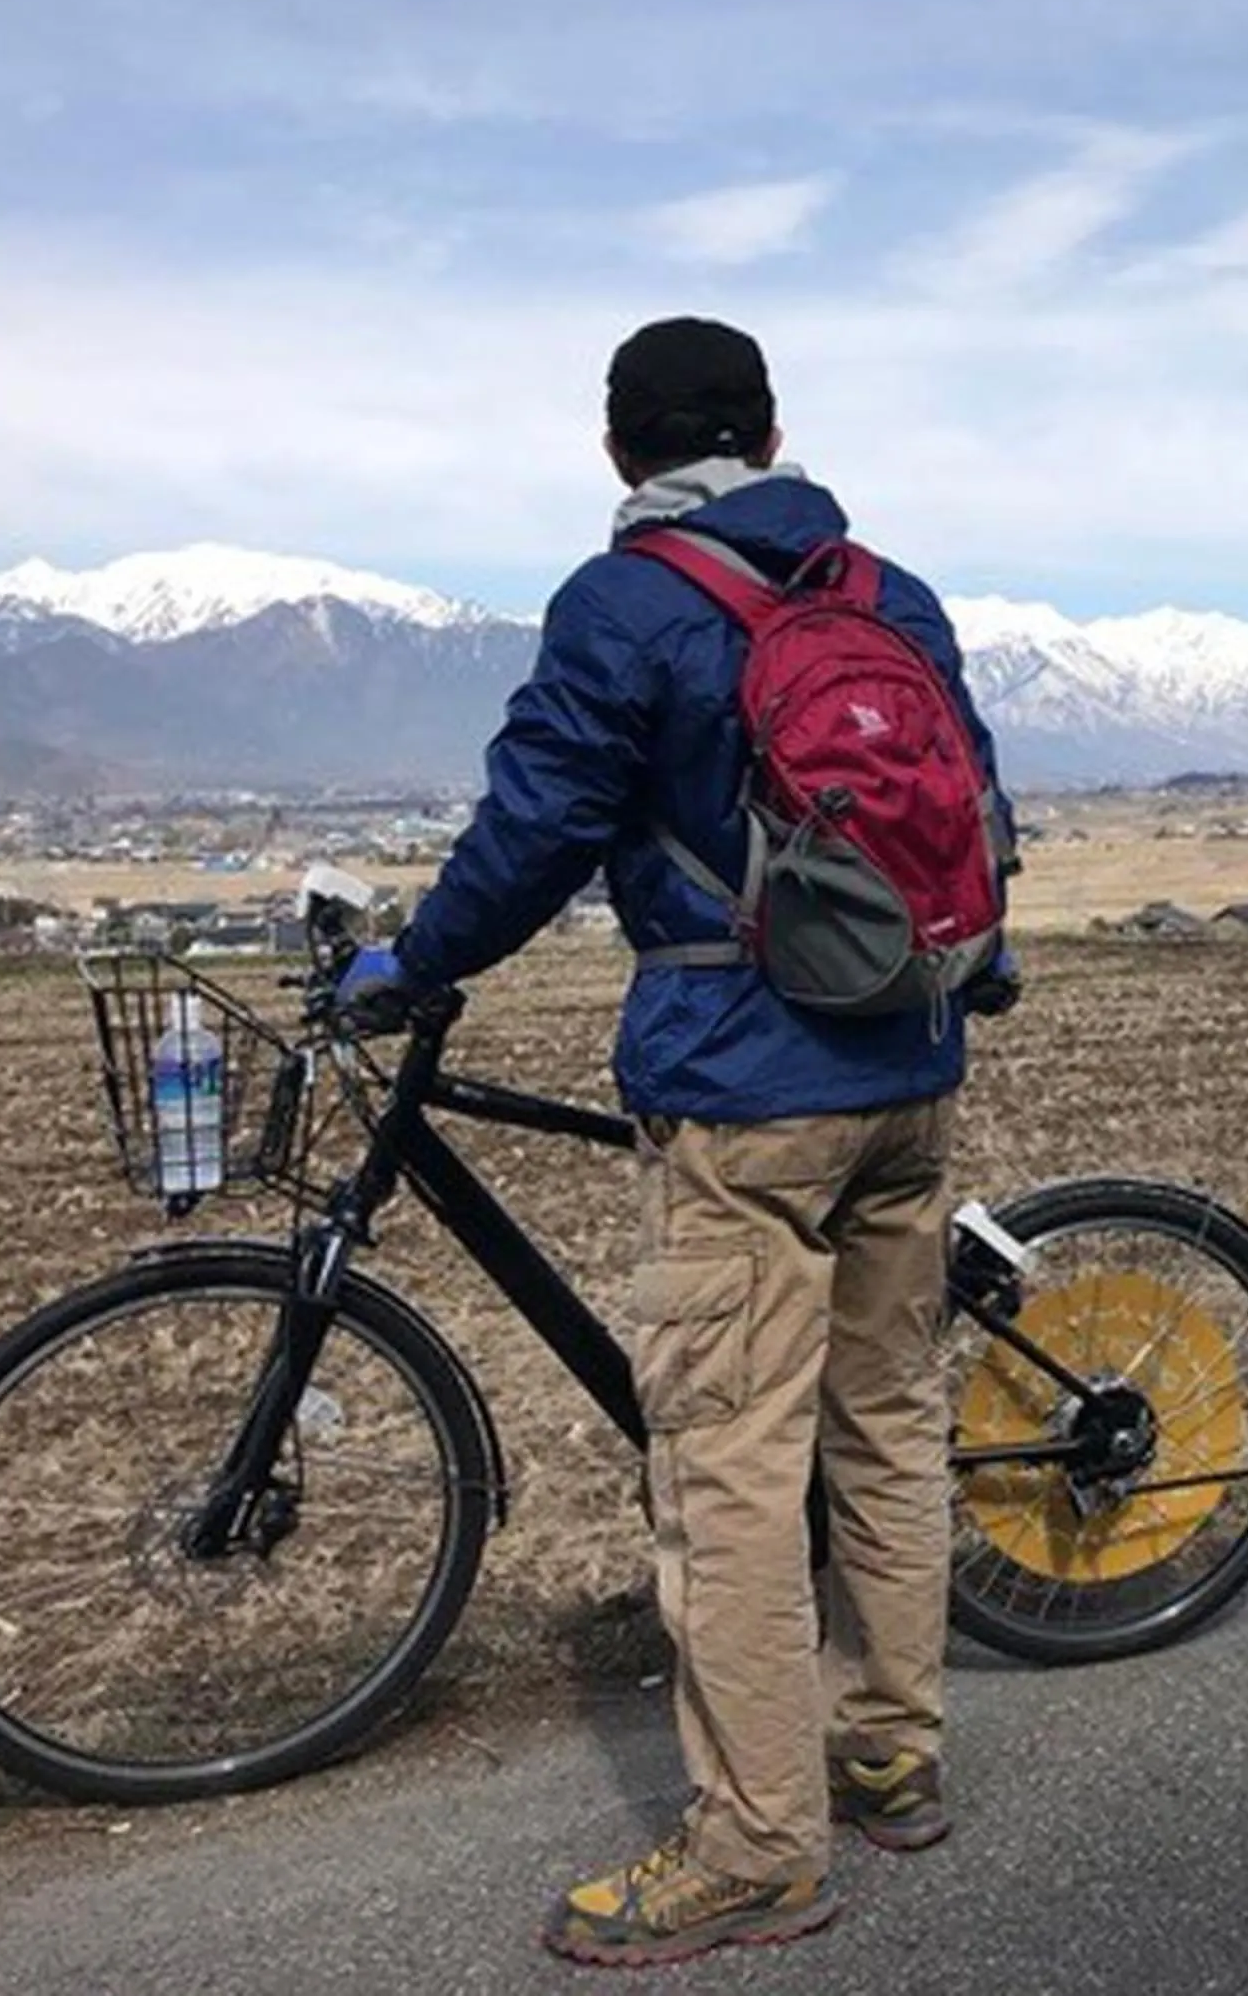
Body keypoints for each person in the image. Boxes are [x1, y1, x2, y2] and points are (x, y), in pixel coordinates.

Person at [338, 316, 1014, 1968]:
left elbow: (540, 824)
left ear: (621, 453)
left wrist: (412, 961)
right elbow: (980, 807)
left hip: (744, 1087)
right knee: (888, 1421)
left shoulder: (623, 603)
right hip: (908, 1071)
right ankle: (891, 1753)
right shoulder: (887, 593)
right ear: (774, 434)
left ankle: (758, 1847)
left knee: (725, 1468)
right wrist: (971, 971)